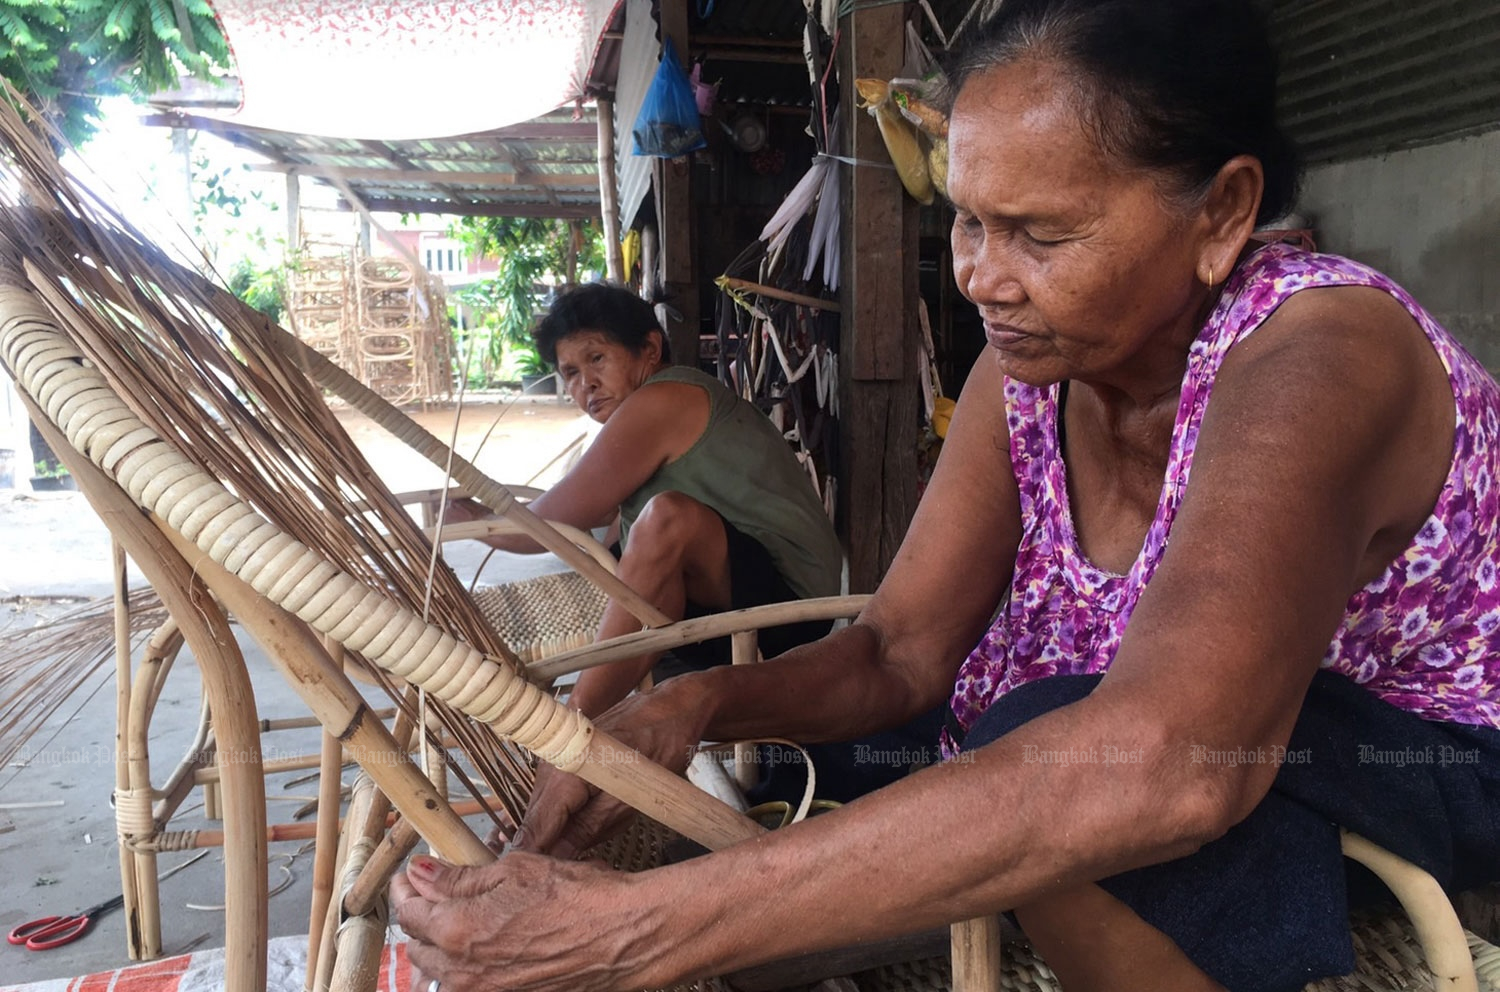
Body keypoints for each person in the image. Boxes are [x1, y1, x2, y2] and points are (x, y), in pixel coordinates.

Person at [393, 2, 1500, 990]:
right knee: (823, 765)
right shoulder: (1028, 370)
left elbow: (1170, 763)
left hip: (1396, 763)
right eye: (969, 220)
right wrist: (695, 705)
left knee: (1054, 745)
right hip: (1129, 726)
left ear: (1222, 213)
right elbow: (897, 651)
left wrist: (640, 930)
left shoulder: (1321, 353)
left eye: (1040, 233)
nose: (979, 275)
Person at [446, 281, 844, 720]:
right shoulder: (651, 407)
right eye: (571, 373)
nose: (587, 385)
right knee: (634, 530)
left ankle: (575, 726)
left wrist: (478, 521)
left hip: (793, 614)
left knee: (666, 519)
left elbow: (546, 529)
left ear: (650, 350)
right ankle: (599, 718)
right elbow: (590, 514)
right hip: (748, 597)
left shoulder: (663, 400)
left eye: (597, 358)